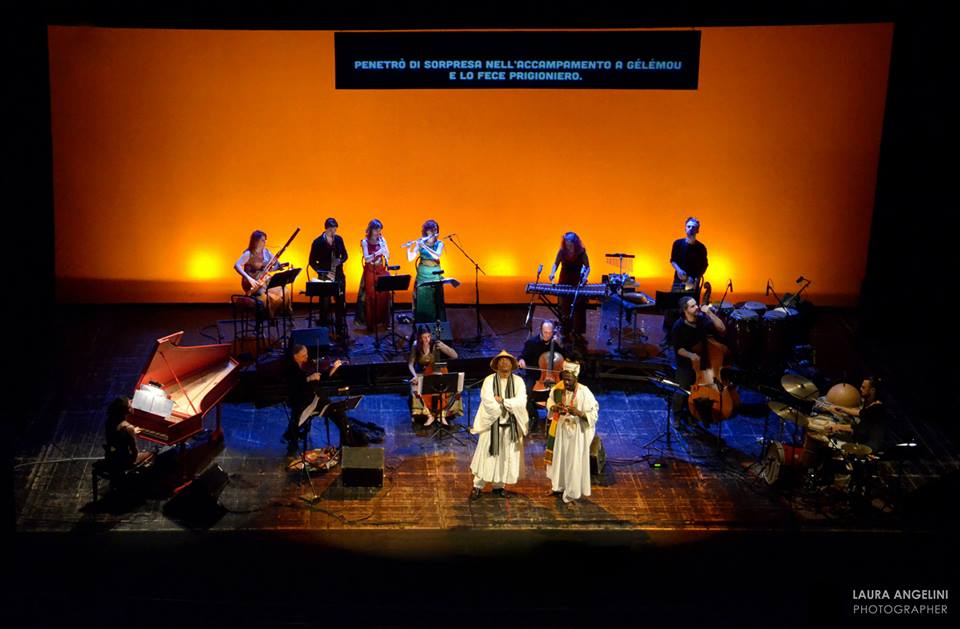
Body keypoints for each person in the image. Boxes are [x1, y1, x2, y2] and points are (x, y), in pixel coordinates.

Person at [468, 350, 530, 500]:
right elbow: (488, 401)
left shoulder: (518, 382)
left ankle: (499, 486)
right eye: (501, 360)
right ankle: (477, 486)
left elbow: (521, 402)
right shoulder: (489, 380)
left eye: (507, 360)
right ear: (496, 364)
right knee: (487, 456)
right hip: (492, 424)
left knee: (505, 457)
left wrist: (503, 401)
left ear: (512, 364)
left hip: (510, 426)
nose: (504, 363)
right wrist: (507, 406)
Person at [544, 361, 599, 504]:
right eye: (564, 379)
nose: (566, 382)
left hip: (576, 433)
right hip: (560, 430)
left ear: (576, 378)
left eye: (569, 379)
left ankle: (571, 495)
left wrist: (579, 413)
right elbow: (549, 401)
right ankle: (557, 487)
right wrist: (554, 407)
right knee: (559, 459)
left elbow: (594, 413)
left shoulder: (584, 392)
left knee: (573, 463)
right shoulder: (558, 389)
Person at [670, 295, 726, 426]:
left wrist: (709, 313)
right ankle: (677, 415)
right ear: (685, 310)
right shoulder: (678, 326)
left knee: (701, 391)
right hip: (686, 364)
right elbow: (678, 349)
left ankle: (693, 414)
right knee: (683, 390)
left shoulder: (702, 320)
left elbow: (722, 329)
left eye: (696, 304)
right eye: (693, 306)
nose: (697, 307)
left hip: (703, 363)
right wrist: (691, 355)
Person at [282, 343, 344, 452]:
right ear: (295, 356)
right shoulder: (290, 369)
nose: (307, 357)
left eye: (306, 354)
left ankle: (346, 436)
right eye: (303, 355)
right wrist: (309, 379)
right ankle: (292, 441)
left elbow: (320, 378)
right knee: (299, 416)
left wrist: (333, 368)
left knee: (335, 409)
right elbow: (295, 386)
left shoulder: (305, 365)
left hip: (313, 396)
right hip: (301, 400)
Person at [408, 325, 461, 425]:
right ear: (419, 338)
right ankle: (429, 415)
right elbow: (410, 364)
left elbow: (455, 356)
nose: (427, 339)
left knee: (453, 390)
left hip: (436, 372)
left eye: (428, 336)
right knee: (414, 389)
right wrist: (414, 375)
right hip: (422, 374)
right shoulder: (415, 345)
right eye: (424, 337)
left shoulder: (435, 344)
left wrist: (443, 347)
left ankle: (443, 414)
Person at [820, 376, 888, 453]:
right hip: (861, 439)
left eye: (863, 387)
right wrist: (841, 408)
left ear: (872, 390)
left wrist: (838, 426)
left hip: (867, 447)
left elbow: (860, 429)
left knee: (829, 442)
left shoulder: (876, 409)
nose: (860, 389)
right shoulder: (872, 403)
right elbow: (860, 413)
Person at [517, 320, 561, 433]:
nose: (548, 335)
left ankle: (555, 419)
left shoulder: (555, 344)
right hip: (534, 375)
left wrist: (560, 344)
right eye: (545, 332)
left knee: (561, 394)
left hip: (552, 376)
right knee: (525, 395)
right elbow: (522, 357)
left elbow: (563, 358)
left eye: (550, 333)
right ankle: (533, 416)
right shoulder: (531, 343)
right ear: (540, 330)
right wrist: (521, 360)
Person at [309, 218, 349, 341]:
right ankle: (324, 333)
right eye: (331, 229)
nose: (333, 232)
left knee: (340, 303)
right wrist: (321, 272)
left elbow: (345, 255)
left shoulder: (339, 239)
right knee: (324, 304)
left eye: (335, 229)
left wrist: (340, 261)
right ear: (326, 228)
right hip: (325, 277)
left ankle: (340, 330)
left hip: (338, 275)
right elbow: (311, 261)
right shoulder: (317, 242)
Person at [548, 232, 590, 337]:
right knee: (564, 306)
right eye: (567, 243)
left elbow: (587, 267)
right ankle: (565, 329)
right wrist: (552, 273)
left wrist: (585, 277)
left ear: (575, 243)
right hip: (564, 281)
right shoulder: (562, 251)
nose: (568, 246)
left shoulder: (581, 252)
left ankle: (578, 331)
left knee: (578, 306)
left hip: (577, 282)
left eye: (570, 243)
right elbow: (555, 264)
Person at [407, 219, 447, 324]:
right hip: (423, 273)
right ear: (426, 232)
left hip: (435, 273)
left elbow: (436, 255)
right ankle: (422, 323)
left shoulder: (440, 243)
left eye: (435, 231)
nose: (433, 234)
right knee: (422, 299)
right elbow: (410, 258)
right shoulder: (421, 242)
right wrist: (409, 248)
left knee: (435, 299)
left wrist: (424, 246)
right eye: (431, 232)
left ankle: (437, 323)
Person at [355, 219, 391, 331]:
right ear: (370, 230)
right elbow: (367, 259)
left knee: (383, 295)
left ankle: (383, 322)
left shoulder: (382, 240)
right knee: (371, 297)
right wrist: (378, 252)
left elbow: (388, 255)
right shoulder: (365, 242)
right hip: (370, 270)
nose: (378, 233)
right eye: (376, 230)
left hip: (380, 269)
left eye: (379, 230)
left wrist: (385, 251)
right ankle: (371, 323)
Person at [234, 230, 278, 318]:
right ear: (256, 241)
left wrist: (275, 267)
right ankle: (266, 317)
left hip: (262, 281)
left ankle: (272, 315)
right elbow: (237, 265)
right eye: (262, 240)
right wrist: (249, 278)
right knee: (268, 297)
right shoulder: (249, 253)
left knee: (283, 292)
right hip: (251, 283)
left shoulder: (266, 252)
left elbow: (275, 263)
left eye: (265, 240)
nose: (265, 242)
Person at [104, 397, 155, 470]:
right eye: (130, 404)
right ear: (128, 410)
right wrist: (131, 432)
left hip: (114, 454)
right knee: (153, 454)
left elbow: (119, 435)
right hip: (127, 460)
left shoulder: (110, 421)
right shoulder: (128, 428)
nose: (132, 405)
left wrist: (131, 432)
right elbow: (135, 452)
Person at [670, 217, 708, 294]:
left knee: (690, 300)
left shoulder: (701, 248)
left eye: (693, 227)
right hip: (679, 281)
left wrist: (696, 278)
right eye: (688, 226)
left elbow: (704, 265)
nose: (690, 229)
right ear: (685, 229)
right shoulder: (677, 243)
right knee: (674, 300)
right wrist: (679, 270)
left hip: (692, 282)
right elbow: (673, 260)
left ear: (697, 230)